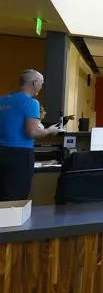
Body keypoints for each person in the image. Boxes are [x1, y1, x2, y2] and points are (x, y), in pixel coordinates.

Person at [0, 69, 59, 201]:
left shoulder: (2, 101)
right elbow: (32, 132)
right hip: (19, 155)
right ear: (35, 82)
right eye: (41, 84)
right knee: (16, 198)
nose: (41, 87)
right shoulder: (31, 103)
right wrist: (50, 131)